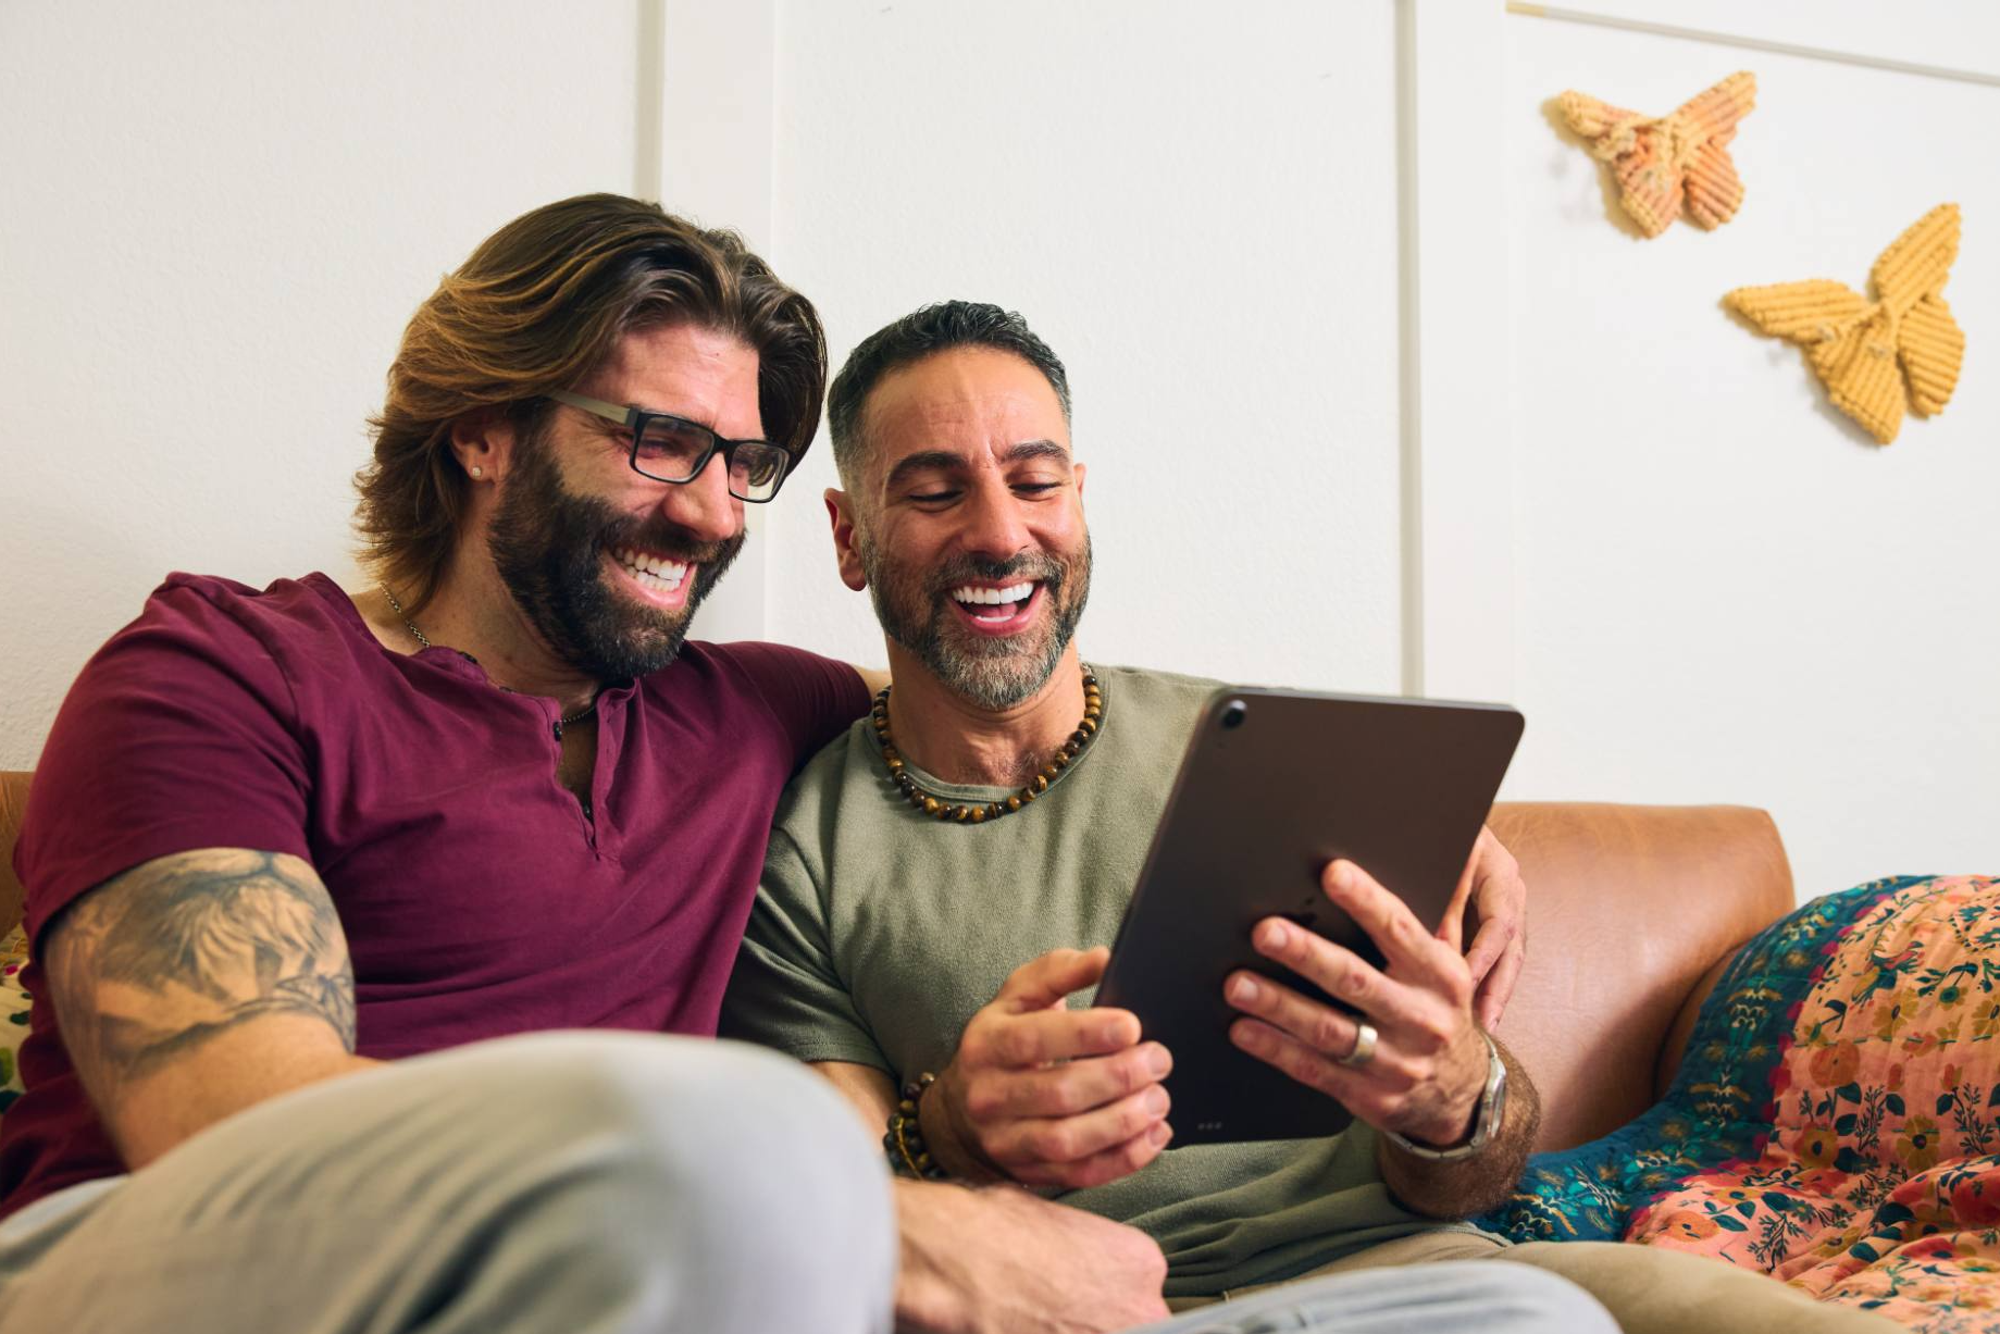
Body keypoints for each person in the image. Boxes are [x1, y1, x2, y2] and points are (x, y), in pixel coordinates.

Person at [721, 301, 1901, 1334]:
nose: (997, 529)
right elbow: (844, 1207)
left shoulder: (1271, 755)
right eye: (932, 490)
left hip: (1419, 1269)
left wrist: (1455, 1094)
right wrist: (958, 1129)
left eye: (1034, 480)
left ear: (1077, 502)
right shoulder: (805, 850)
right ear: (846, 535)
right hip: (1101, 1301)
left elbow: (1475, 1170)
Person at [0, 194, 897, 1333]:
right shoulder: (217, 675)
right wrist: (857, 1218)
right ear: (484, 428)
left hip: (587, 1283)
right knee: (751, 1134)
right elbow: (229, 1137)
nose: (714, 513)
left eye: (744, 461)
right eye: (660, 442)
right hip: (152, 1266)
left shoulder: (751, 713)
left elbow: (993, 716)